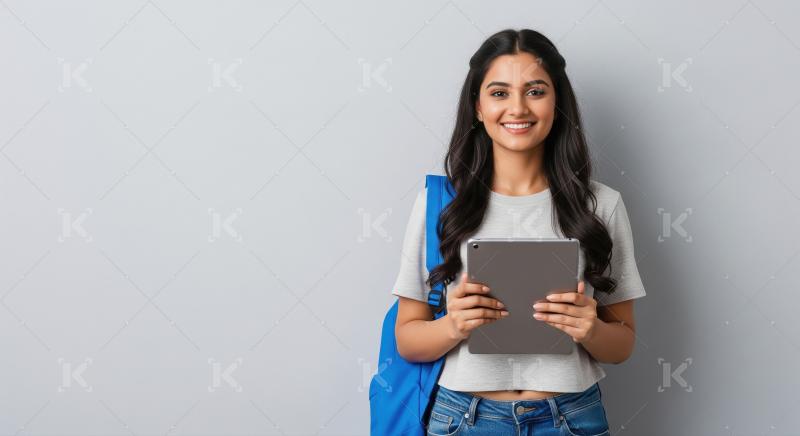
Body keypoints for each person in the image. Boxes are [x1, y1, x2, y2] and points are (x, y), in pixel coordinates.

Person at [392, 28, 647, 435]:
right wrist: (453, 324)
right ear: (477, 107)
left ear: (557, 101)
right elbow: (407, 339)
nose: (517, 108)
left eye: (535, 91)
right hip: (463, 419)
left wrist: (592, 329)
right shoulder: (440, 204)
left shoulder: (601, 205)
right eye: (498, 93)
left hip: (571, 418)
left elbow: (623, 345)